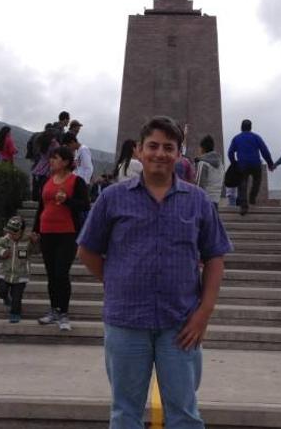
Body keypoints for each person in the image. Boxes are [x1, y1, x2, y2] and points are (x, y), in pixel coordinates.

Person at [77, 115, 232, 429]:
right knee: (125, 413)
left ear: (179, 154)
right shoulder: (112, 198)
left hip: (181, 325)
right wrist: (115, 278)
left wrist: (204, 312)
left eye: (169, 147)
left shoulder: (198, 201)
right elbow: (87, 249)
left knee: (185, 414)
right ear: (138, 150)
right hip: (126, 323)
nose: (160, 153)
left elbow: (215, 257)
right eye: (153, 146)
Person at [31, 146, 90, 330]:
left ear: (65, 161)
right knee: (51, 275)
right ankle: (53, 310)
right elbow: (41, 207)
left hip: (67, 233)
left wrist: (67, 201)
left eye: (55, 158)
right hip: (47, 232)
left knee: (61, 273)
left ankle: (63, 313)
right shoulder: (47, 182)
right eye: (51, 158)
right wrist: (35, 230)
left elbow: (85, 205)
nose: (51, 161)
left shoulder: (76, 181)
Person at [227, 119, 274, 215]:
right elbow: (264, 150)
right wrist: (270, 163)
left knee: (242, 185)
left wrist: (233, 162)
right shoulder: (256, 137)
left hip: (242, 164)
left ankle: (244, 206)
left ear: (241, 127)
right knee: (257, 180)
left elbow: (230, 152)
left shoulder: (236, 138)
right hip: (255, 164)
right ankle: (252, 197)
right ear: (250, 127)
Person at [0, 216, 35, 323]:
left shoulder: (27, 240)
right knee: (0, 289)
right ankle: (6, 299)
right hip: (6, 272)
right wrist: (2, 252)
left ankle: (15, 313)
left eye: (14, 233)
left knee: (16, 297)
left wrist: (35, 242)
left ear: (21, 232)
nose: (11, 235)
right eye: (9, 232)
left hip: (21, 275)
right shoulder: (5, 240)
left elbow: (36, 250)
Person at [195, 135, 225, 210]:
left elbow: (200, 185)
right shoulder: (220, 163)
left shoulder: (203, 163)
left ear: (203, 148)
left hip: (205, 202)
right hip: (216, 200)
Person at [31, 127, 60, 200]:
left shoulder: (41, 142)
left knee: (37, 186)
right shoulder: (54, 144)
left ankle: (35, 199)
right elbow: (57, 153)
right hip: (48, 168)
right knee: (45, 187)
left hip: (39, 166)